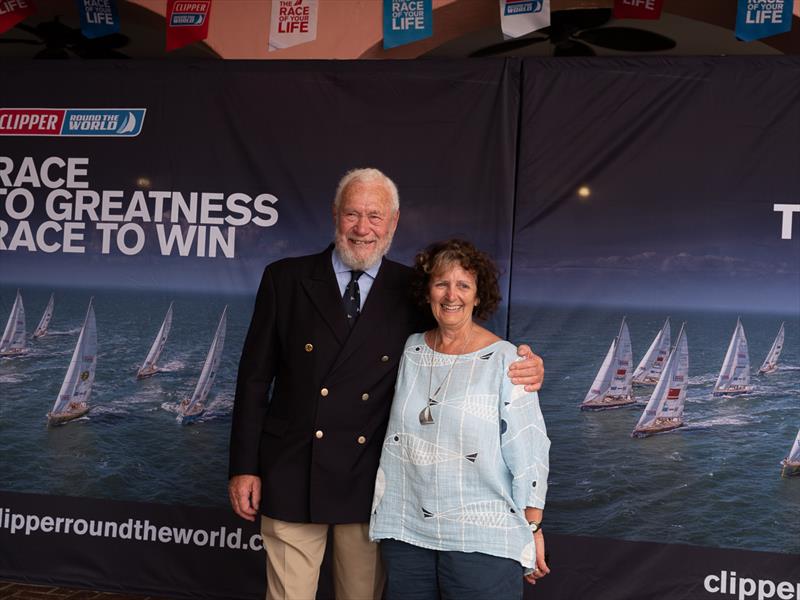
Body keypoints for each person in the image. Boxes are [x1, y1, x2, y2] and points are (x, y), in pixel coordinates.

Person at [228, 169, 544, 600]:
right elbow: (253, 379)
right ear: (335, 216)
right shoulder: (285, 279)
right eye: (353, 214)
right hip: (291, 470)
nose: (363, 228)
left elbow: (461, 342)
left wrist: (524, 364)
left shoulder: (412, 289)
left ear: (393, 222)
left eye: (375, 216)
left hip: (368, 482)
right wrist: (245, 466)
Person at [369, 239, 551, 600]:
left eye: (463, 285)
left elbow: (529, 448)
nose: (452, 295)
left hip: (482, 538)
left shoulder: (508, 361)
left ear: (478, 295)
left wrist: (532, 527)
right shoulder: (409, 350)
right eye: (441, 283)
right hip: (407, 533)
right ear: (428, 292)